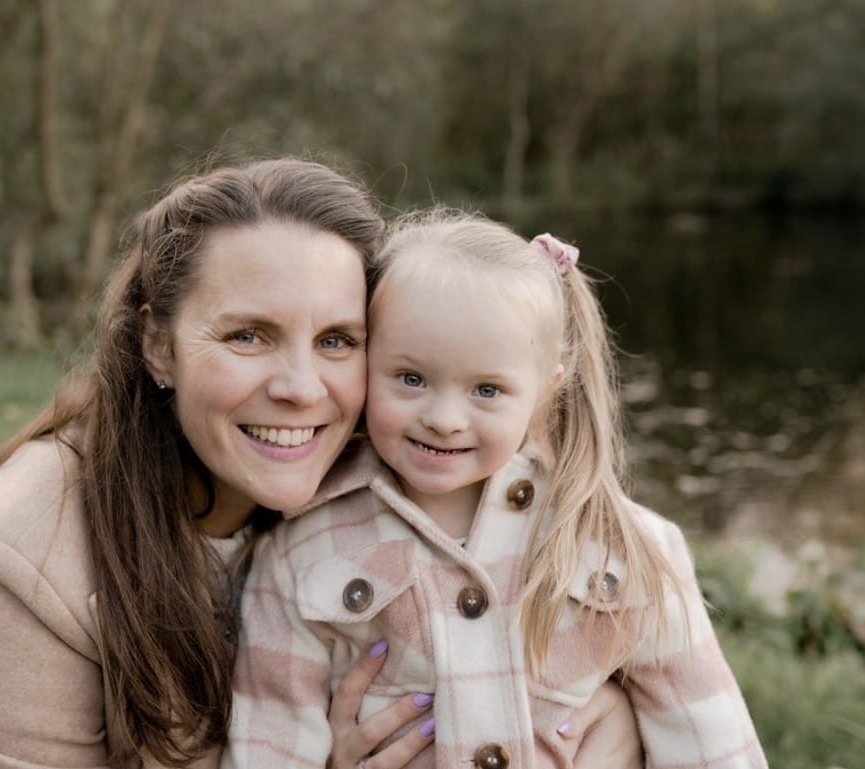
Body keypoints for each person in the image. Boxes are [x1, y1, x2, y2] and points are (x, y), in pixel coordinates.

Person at [0, 161, 646, 769]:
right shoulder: (19, 567)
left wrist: (589, 708)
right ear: (158, 346)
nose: (300, 387)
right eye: (249, 336)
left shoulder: (402, 467)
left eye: (336, 340)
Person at [223, 211, 767, 769]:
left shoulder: (624, 544)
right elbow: (270, 740)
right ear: (367, 361)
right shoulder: (301, 551)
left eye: (487, 389)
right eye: (410, 378)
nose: (445, 418)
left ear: (544, 390)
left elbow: (710, 740)